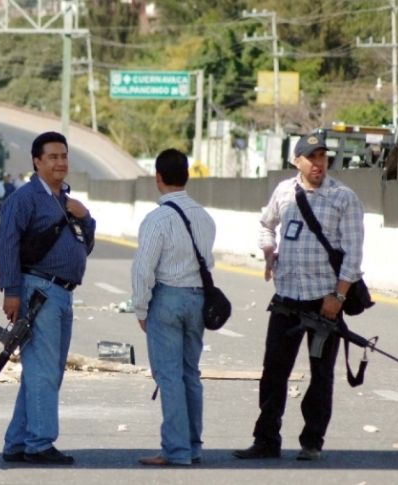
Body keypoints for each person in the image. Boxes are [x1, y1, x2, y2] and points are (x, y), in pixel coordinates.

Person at [233, 133, 366, 462]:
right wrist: (268, 249)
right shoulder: (284, 191)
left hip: (324, 303)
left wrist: (338, 296)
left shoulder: (343, 198)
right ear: (297, 161)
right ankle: (266, 440)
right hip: (287, 299)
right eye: (312, 157)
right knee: (273, 372)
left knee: (321, 375)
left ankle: (312, 442)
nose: (319, 163)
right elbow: (266, 224)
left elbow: (353, 255)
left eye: (323, 157)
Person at [0, 131, 96, 465]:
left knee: (44, 370)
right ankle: (39, 444)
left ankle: (18, 442)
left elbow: (86, 245)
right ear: (36, 161)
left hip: (62, 293)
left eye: (64, 156)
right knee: (43, 372)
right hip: (37, 290)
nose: (60, 162)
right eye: (52, 157)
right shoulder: (25, 199)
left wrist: (86, 217)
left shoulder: (66, 199)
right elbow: (6, 242)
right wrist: (11, 291)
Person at [131, 148, 216, 466]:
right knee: (190, 374)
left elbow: (143, 269)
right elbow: (208, 262)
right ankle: (193, 447)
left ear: (158, 178)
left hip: (167, 299)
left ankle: (176, 450)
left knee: (168, 377)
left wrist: (141, 309)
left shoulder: (157, 219)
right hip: (197, 299)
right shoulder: (205, 217)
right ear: (187, 176)